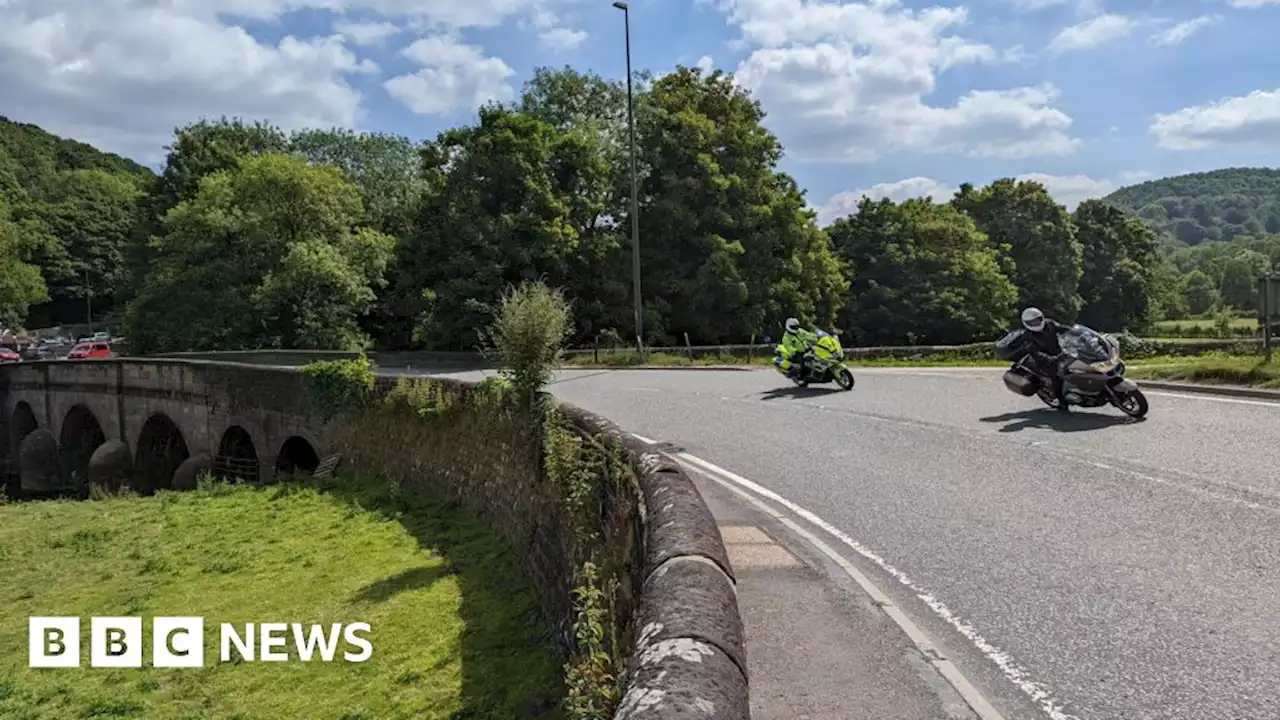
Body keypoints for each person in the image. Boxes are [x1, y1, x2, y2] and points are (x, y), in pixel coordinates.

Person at [1020, 307, 1073, 412]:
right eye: (1032, 322)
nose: (1036, 323)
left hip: (1059, 353)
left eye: (1037, 320)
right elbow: (1035, 353)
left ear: (1041, 317)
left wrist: (1076, 332)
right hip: (1044, 360)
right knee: (1057, 375)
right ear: (1026, 323)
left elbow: (1063, 329)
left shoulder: (1049, 323)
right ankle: (1062, 400)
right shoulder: (1027, 336)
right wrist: (1049, 358)